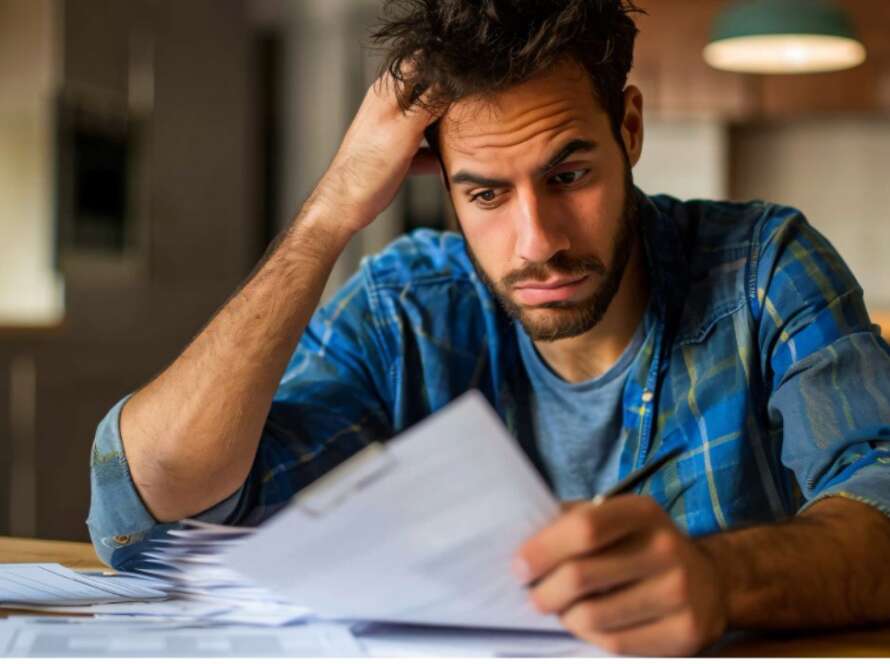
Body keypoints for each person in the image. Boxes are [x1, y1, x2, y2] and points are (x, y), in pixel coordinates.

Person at [87, 0, 890, 655]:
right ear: (441, 183)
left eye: (568, 175)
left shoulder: (764, 268)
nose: (537, 242)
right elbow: (150, 512)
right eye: (486, 195)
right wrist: (331, 211)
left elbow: (880, 498)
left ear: (631, 131)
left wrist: (719, 580)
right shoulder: (404, 311)